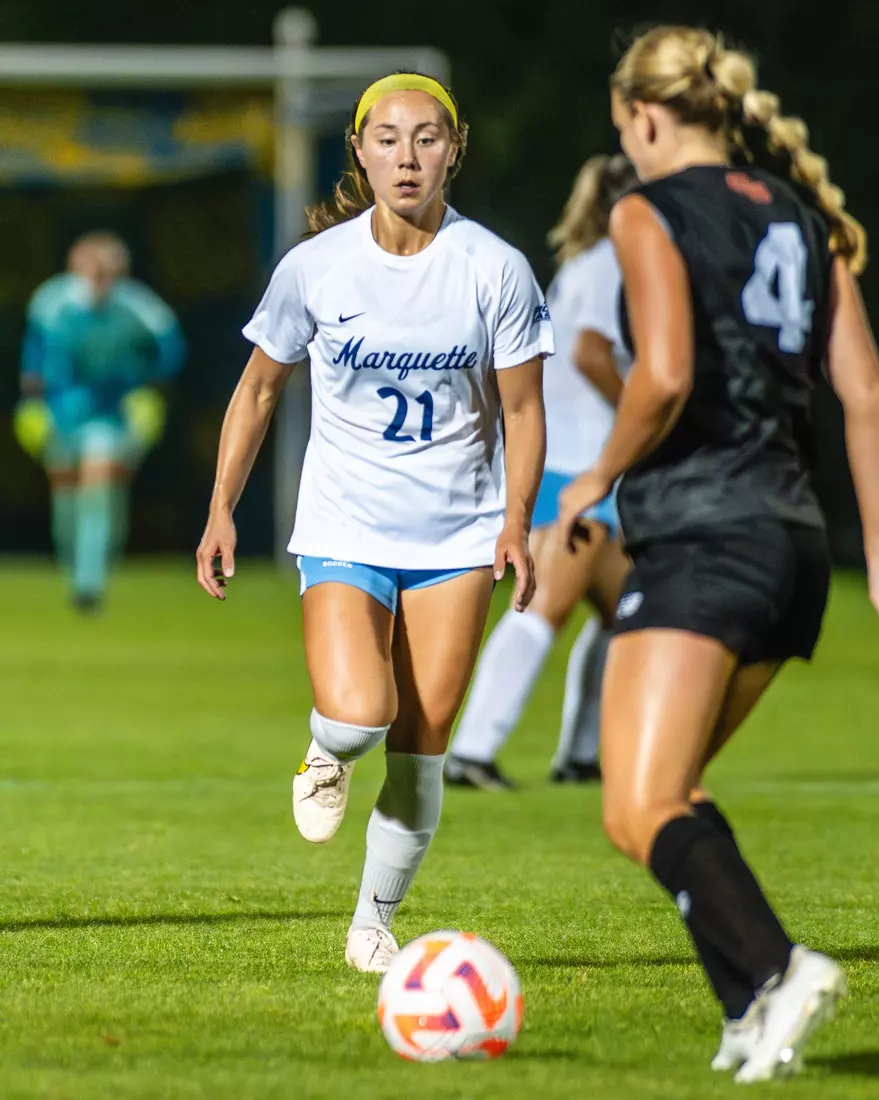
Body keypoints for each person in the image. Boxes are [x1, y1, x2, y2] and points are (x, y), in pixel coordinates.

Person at [558, 26, 879, 1083]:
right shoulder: (802, 212)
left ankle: (781, 970)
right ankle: (749, 1006)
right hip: (792, 550)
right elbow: (865, 395)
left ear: (645, 118)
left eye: (624, 131)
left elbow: (663, 377)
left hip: (705, 534)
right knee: (671, 791)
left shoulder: (645, 210)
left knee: (637, 800)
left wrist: (595, 476)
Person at [196, 73, 552, 973]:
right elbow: (258, 389)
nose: (407, 155)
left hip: (458, 537)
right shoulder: (317, 266)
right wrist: (219, 510)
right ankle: (325, 755)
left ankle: (372, 923)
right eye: (387, 138)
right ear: (357, 150)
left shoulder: (494, 268)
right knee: (359, 718)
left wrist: (515, 521)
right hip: (346, 525)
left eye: (426, 138)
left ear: (454, 148)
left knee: (420, 750)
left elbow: (524, 409)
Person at [445, 154, 634, 790]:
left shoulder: (593, 261)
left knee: (628, 607)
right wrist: (649, 410)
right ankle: (472, 751)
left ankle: (583, 755)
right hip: (575, 462)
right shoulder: (614, 260)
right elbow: (589, 355)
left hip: (584, 461)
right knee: (544, 605)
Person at [15, 232, 185, 611]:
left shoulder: (140, 307)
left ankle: (89, 583)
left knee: (99, 488)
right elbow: (34, 358)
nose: (98, 277)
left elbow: (170, 352)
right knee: (65, 494)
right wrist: (33, 403)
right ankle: (74, 563)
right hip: (60, 412)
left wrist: (147, 389)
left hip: (111, 413)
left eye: (106, 270)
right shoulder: (51, 302)